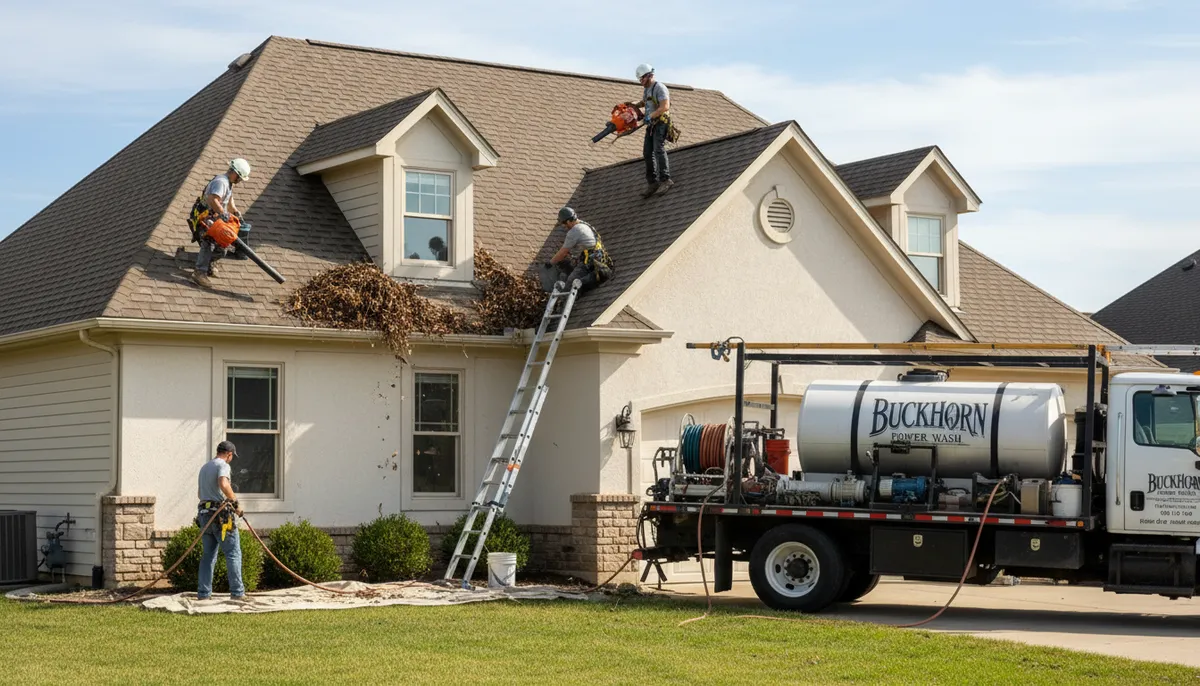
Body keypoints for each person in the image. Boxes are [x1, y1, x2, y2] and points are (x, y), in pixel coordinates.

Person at [188, 158, 252, 288]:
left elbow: (229, 202)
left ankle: (209, 263)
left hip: (214, 218)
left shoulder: (228, 183)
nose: (239, 181)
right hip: (204, 219)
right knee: (209, 241)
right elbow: (213, 199)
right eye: (239, 178)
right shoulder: (221, 182)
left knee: (222, 249)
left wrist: (235, 213)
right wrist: (223, 213)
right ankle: (199, 272)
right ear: (234, 173)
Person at [196, 440, 245, 601]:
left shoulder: (205, 467)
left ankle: (204, 594)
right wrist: (235, 503)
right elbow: (223, 483)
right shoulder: (223, 465)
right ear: (229, 454)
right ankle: (237, 593)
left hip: (204, 514)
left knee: (208, 555)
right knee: (233, 553)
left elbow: (200, 494)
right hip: (220, 516)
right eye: (232, 456)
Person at [628, 64, 673, 198]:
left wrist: (650, 116)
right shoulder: (647, 89)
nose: (641, 81)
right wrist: (633, 105)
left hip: (661, 123)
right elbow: (645, 102)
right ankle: (652, 183)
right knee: (647, 152)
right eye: (640, 79)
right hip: (651, 125)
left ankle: (665, 179)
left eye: (642, 78)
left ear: (649, 75)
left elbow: (665, 106)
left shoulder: (659, 88)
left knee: (658, 149)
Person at [546, 207, 613, 292]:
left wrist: (550, 263)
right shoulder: (585, 224)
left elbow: (563, 252)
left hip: (590, 263)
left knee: (570, 284)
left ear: (568, 221)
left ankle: (568, 298)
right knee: (569, 266)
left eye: (563, 223)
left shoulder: (574, 231)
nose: (564, 226)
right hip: (600, 260)